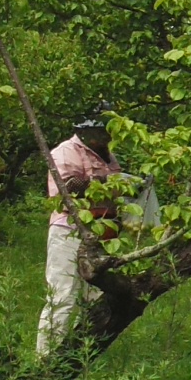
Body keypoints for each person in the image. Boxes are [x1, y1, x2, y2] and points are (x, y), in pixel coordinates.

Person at [35, 111, 122, 356]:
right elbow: (67, 190)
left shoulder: (108, 156)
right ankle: (46, 357)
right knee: (62, 294)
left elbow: (117, 192)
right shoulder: (65, 153)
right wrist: (105, 183)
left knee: (95, 298)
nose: (105, 136)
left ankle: (80, 353)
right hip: (69, 231)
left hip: (102, 232)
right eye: (101, 131)